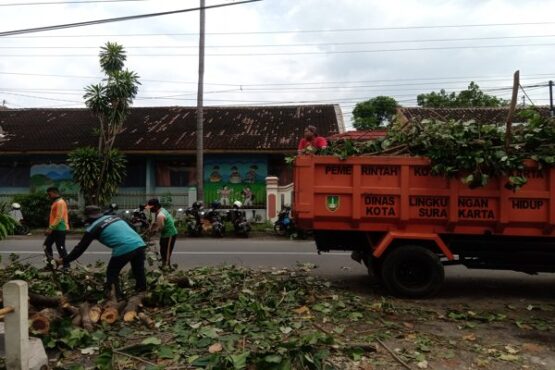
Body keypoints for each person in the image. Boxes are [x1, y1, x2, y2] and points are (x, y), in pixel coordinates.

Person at [55, 206, 147, 298]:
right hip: (139, 243)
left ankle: (115, 297)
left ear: (87, 217)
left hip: (124, 247)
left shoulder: (93, 228)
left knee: (112, 272)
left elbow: (79, 249)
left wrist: (64, 260)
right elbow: (132, 228)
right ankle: (142, 293)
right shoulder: (115, 217)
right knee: (138, 270)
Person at [146, 198, 178, 268]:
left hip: (170, 234)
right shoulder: (160, 210)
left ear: (156, 206)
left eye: (151, 208)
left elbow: (161, 228)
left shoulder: (160, 215)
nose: (150, 210)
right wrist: (152, 227)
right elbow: (157, 223)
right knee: (163, 251)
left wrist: (152, 233)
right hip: (164, 234)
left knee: (166, 253)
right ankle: (164, 266)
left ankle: (166, 268)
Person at [44, 187, 70, 269]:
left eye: (49, 194)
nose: (48, 196)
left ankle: (66, 266)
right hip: (55, 229)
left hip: (60, 229)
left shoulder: (60, 202)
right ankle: (50, 264)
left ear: (53, 193)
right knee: (46, 245)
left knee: (61, 248)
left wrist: (50, 228)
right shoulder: (56, 202)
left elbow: (59, 217)